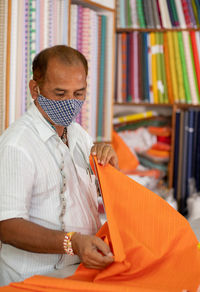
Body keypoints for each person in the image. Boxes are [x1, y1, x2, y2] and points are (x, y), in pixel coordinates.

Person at [0, 45, 118, 286]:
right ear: (35, 89)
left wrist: (109, 171)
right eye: (60, 93)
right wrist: (72, 242)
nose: (70, 104)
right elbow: (6, 226)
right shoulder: (17, 145)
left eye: (78, 94)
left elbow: (85, 196)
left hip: (76, 272)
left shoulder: (79, 136)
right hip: (30, 279)